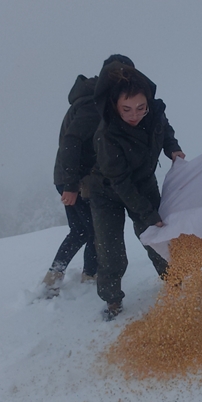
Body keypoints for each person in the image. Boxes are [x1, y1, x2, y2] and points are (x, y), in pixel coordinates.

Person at [83, 61, 184, 320]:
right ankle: (112, 300)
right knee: (110, 249)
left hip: (143, 182)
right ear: (115, 106)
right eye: (126, 109)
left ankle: (173, 281)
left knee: (157, 237)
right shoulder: (107, 135)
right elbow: (121, 183)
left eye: (141, 107)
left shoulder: (154, 114)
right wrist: (149, 213)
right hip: (108, 192)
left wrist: (172, 148)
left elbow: (165, 130)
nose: (134, 114)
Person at [42, 56, 134, 298]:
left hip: (71, 176)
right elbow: (71, 142)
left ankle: (74, 274)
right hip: (74, 179)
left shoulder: (96, 98)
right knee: (89, 229)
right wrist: (71, 185)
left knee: (84, 228)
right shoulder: (93, 104)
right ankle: (74, 274)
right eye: (120, 77)